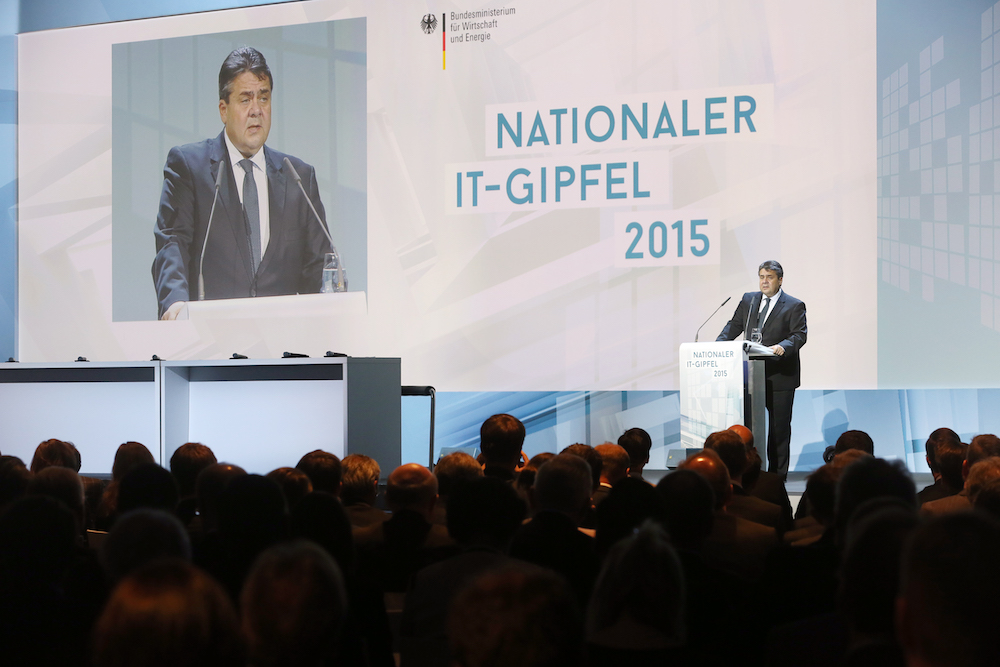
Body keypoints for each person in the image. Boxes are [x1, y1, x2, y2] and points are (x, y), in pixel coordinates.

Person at [152, 46, 333, 319]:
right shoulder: (189, 167)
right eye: (245, 99)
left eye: (264, 98)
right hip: (211, 343)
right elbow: (172, 244)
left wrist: (330, 308)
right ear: (224, 110)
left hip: (283, 346)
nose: (256, 110)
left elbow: (319, 268)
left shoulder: (299, 178)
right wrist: (175, 304)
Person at [717, 260, 807, 478]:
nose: (764, 281)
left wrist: (782, 347)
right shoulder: (749, 300)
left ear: (780, 280)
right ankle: (749, 474)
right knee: (749, 430)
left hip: (780, 377)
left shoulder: (794, 305)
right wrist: (718, 345)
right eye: (761, 277)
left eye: (769, 277)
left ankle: (777, 479)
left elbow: (799, 335)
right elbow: (734, 325)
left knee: (778, 432)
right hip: (750, 376)